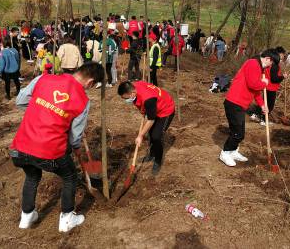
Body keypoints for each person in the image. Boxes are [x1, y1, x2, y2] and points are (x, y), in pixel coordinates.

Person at [9, 62, 104, 232]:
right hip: (49, 151)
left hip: (20, 149)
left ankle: (26, 216)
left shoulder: (43, 78)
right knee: (69, 177)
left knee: (32, 176)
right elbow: (75, 137)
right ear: (90, 82)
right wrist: (74, 144)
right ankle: (67, 218)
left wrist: (43, 112)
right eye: (92, 86)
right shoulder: (82, 100)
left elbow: (21, 101)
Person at [219, 49, 279, 167]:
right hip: (234, 102)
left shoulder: (259, 68)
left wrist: (262, 105)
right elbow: (253, 84)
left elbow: (256, 91)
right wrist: (265, 83)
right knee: (238, 133)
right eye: (271, 64)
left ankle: (233, 151)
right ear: (268, 59)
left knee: (238, 131)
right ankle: (225, 153)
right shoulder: (253, 63)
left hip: (241, 104)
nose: (270, 67)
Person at [118, 80, 175, 175]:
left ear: (132, 93)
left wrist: (140, 136)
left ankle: (158, 159)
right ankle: (152, 152)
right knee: (150, 132)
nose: (126, 100)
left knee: (156, 136)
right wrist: (144, 111)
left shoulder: (148, 99)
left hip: (166, 110)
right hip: (155, 107)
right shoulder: (135, 85)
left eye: (126, 98)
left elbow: (151, 120)